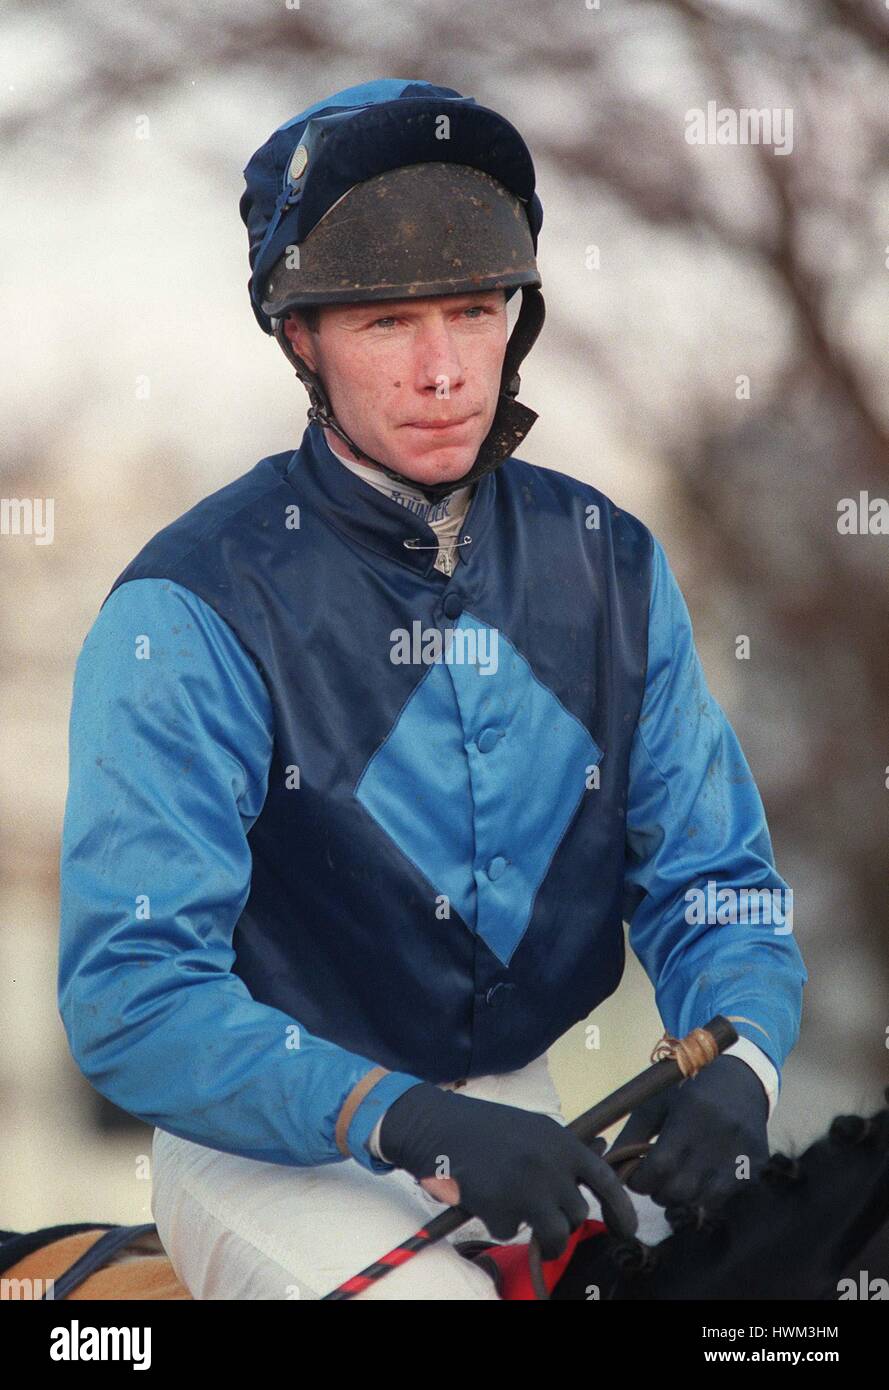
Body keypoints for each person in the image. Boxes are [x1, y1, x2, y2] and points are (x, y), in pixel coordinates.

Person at [57, 78, 808, 1300]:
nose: (446, 370)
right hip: (267, 1149)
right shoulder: (184, 609)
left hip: (526, 1117)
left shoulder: (609, 565)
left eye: (473, 310)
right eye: (386, 323)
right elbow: (132, 994)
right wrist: (402, 1120)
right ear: (299, 338)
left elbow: (712, 880)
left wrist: (748, 1061)